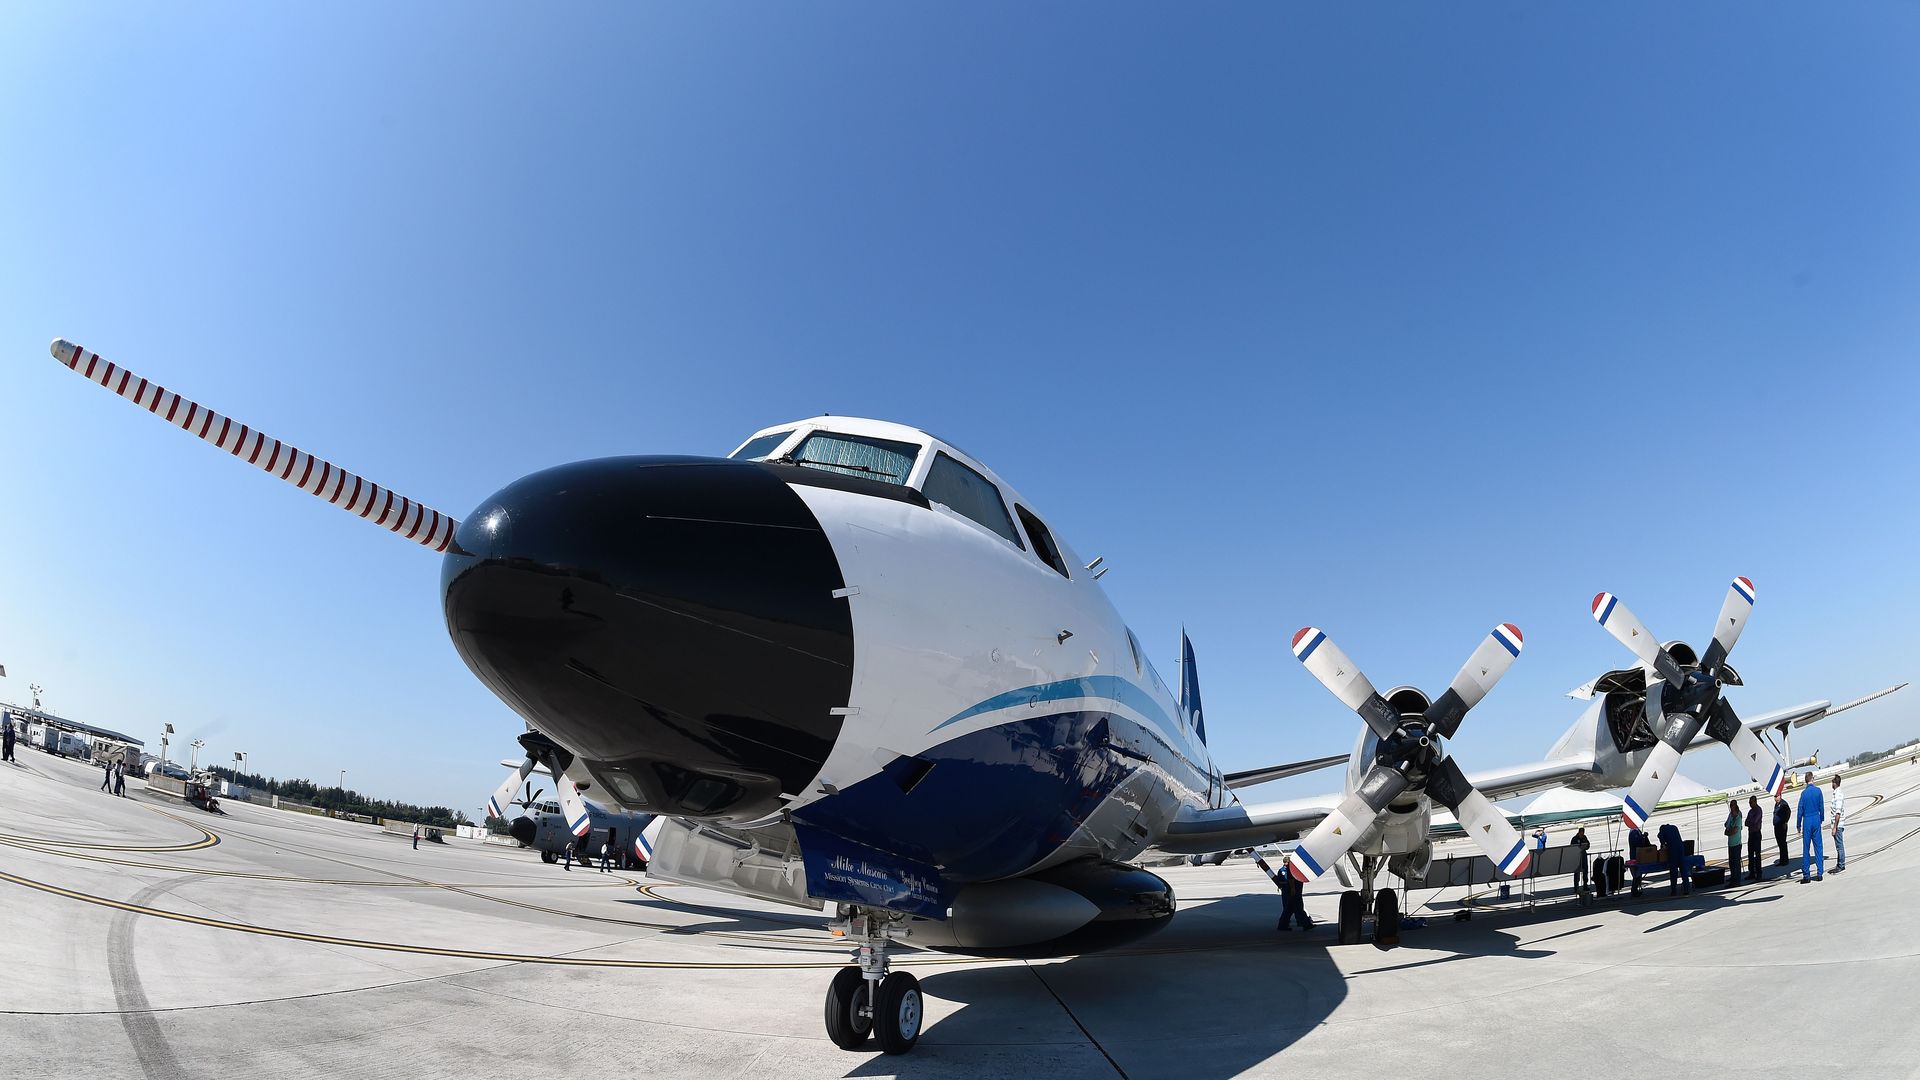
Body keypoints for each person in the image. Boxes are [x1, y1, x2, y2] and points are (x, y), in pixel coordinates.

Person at [1796, 771, 1826, 882]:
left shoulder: (1803, 794)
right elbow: (1821, 806)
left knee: (1806, 848)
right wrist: (1821, 818)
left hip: (1807, 820)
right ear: (1812, 779)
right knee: (1818, 847)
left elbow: (1800, 810)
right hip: (1816, 818)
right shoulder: (1818, 791)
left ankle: (1806, 875)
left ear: (1805, 781)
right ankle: (1819, 873)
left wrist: (1798, 824)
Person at [1658, 821, 1691, 895]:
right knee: (1683, 870)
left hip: (1673, 851)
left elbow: (1661, 838)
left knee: (1674, 872)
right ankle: (1686, 889)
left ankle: (1674, 890)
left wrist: (1663, 844)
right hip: (1681, 849)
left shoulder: (1662, 830)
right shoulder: (1674, 827)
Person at [1626, 826, 1652, 896]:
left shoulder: (1635, 831)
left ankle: (1636, 889)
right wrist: (1643, 837)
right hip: (1635, 856)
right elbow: (1638, 844)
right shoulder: (1634, 832)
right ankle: (1634, 891)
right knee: (1636, 874)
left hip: (1637, 855)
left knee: (1638, 874)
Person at [1723, 798, 1743, 886]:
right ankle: (1733, 878)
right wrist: (1728, 830)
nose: (1731, 808)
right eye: (1730, 806)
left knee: (1736, 863)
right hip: (1731, 843)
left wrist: (1728, 831)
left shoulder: (1738, 816)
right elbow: (1726, 825)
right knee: (1731, 863)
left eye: (1732, 806)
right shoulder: (1730, 815)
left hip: (1736, 843)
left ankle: (1736, 880)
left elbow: (1734, 830)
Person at [1830, 775, 1847, 873]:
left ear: (1835, 783)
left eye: (1832, 782)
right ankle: (1839, 863)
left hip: (1838, 825)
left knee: (1839, 846)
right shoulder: (1836, 794)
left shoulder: (1838, 795)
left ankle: (1841, 865)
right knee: (1838, 845)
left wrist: (1835, 827)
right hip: (1836, 824)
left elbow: (1838, 813)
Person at [1745, 796, 1764, 882]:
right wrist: (1750, 822)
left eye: (1751, 802)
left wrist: (1750, 822)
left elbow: (1754, 821)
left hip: (1756, 833)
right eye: (1749, 803)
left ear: (1755, 802)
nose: (1750, 804)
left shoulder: (1758, 810)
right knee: (1750, 854)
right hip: (1751, 833)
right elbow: (1746, 822)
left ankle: (1759, 873)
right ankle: (1752, 872)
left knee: (1757, 854)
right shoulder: (1750, 811)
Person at [1570, 827, 1592, 892]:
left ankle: (1585, 885)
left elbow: (1588, 845)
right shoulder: (1574, 838)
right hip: (1577, 857)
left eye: (1583, 833)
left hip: (1583, 856)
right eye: (1581, 833)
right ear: (1579, 832)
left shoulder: (1584, 837)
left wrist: (1585, 846)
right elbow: (1571, 847)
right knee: (1577, 872)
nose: (1582, 834)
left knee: (1585, 871)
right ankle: (1576, 887)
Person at [1773, 793, 1792, 865]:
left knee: (1783, 843)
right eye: (1774, 797)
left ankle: (1785, 860)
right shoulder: (1776, 804)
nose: (1775, 798)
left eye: (1776, 796)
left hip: (1782, 826)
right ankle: (1782, 860)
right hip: (1777, 826)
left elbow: (1788, 812)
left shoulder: (1784, 804)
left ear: (1780, 796)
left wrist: (1785, 822)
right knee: (1780, 844)